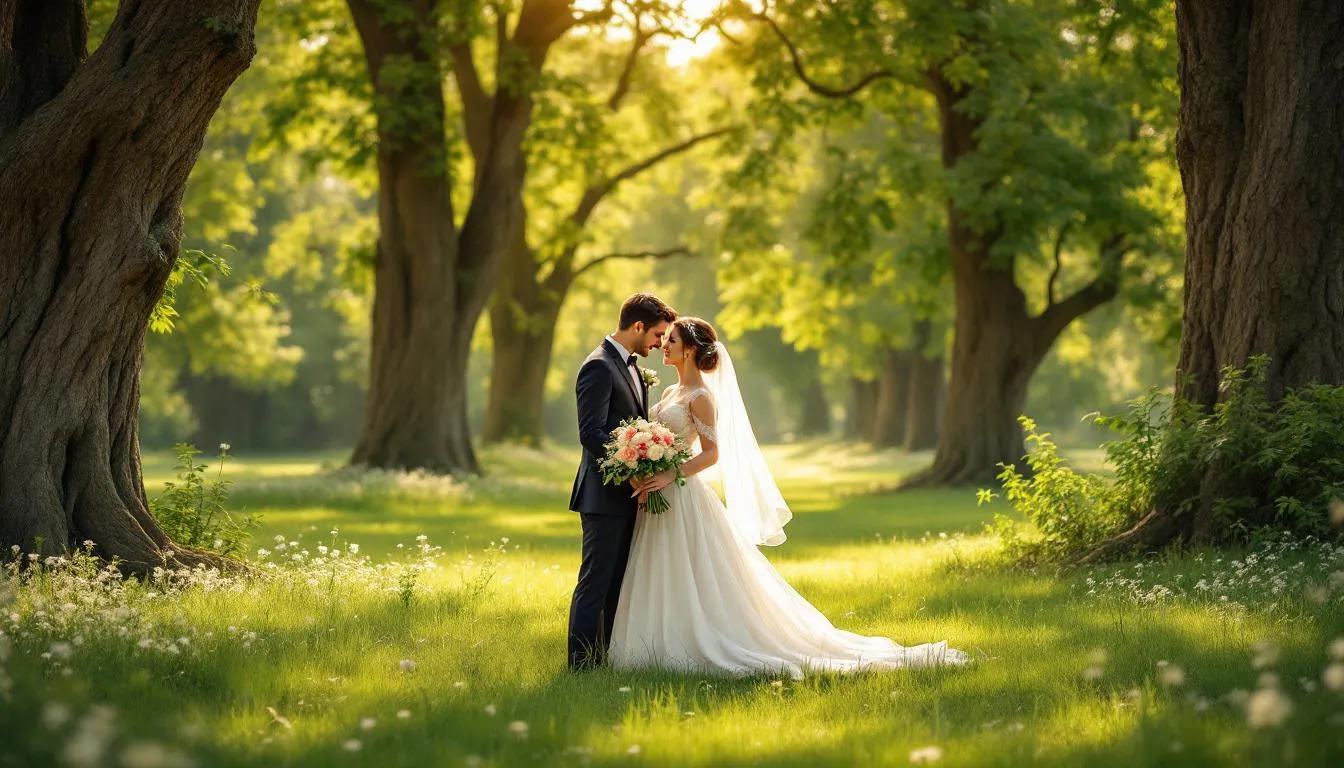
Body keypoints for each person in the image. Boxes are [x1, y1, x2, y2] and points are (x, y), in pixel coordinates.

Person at [611, 317, 969, 677]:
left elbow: (711, 454)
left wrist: (670, 473)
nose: (663, 346)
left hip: (683, 493)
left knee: (692, 569)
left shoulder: (702, 398)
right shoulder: (669, 393)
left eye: (671, 340)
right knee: (660, 564)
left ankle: (697, 639)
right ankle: (655, 642)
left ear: (689, 348)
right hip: (659, 493)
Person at [567, 292, 677, 670]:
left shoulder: (629, 365)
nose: (660, 343)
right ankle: (581, 666)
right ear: (637, 326)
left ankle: (606, 659)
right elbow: (591, 433)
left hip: (629, 496)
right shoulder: (598, 366)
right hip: (603, 495)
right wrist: (632, 471)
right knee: (596, 582)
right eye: (658, 335)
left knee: (618, 584)